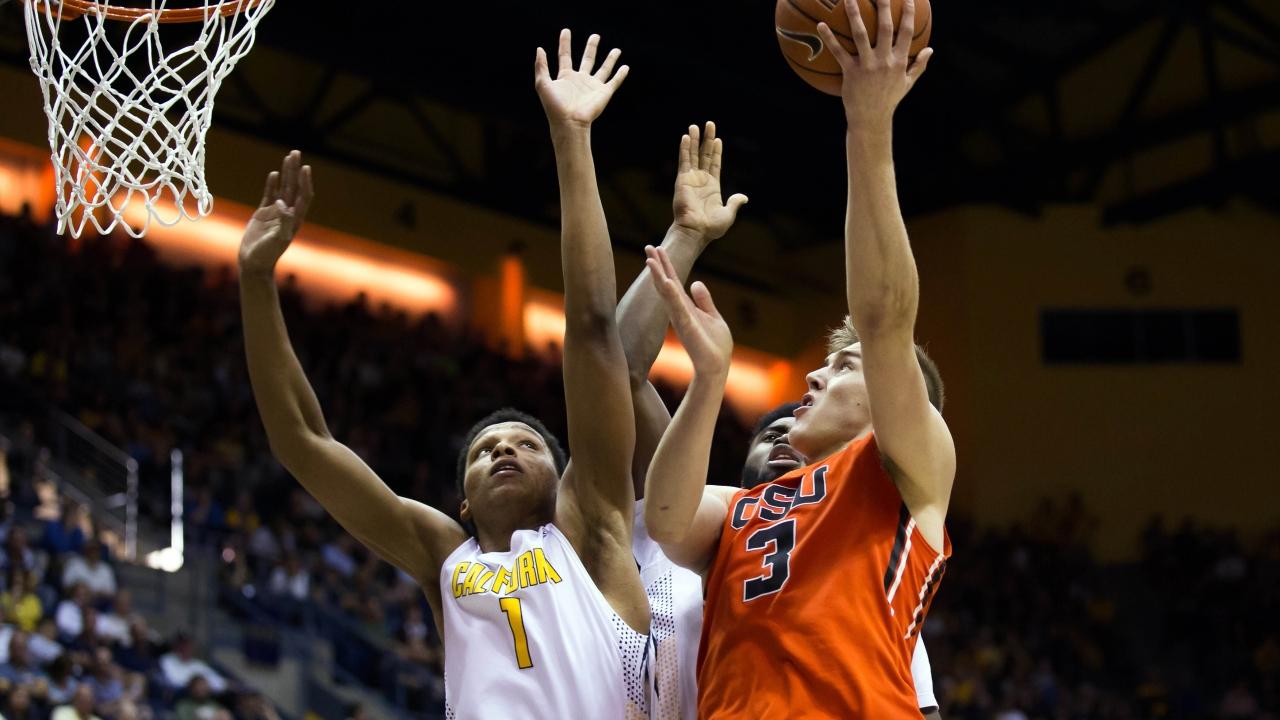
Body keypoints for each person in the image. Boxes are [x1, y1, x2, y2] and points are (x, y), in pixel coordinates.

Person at [237, 29, 650, 718]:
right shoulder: (445, 557)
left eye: (525, 444)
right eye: (485, 451)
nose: (503, 451)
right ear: (462, 503)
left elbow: (591, 329)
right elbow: (303, 441)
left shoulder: (593, 528)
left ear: (564, 478)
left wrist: (572, 139)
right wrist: (255, 280)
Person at [644, 0, 954, 715]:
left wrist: (868, 125)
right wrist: (709, 381)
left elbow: (884, 319)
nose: (814, 375)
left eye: (844, 368)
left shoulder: (906, 471)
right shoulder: (743, 507)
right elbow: (666, 520)